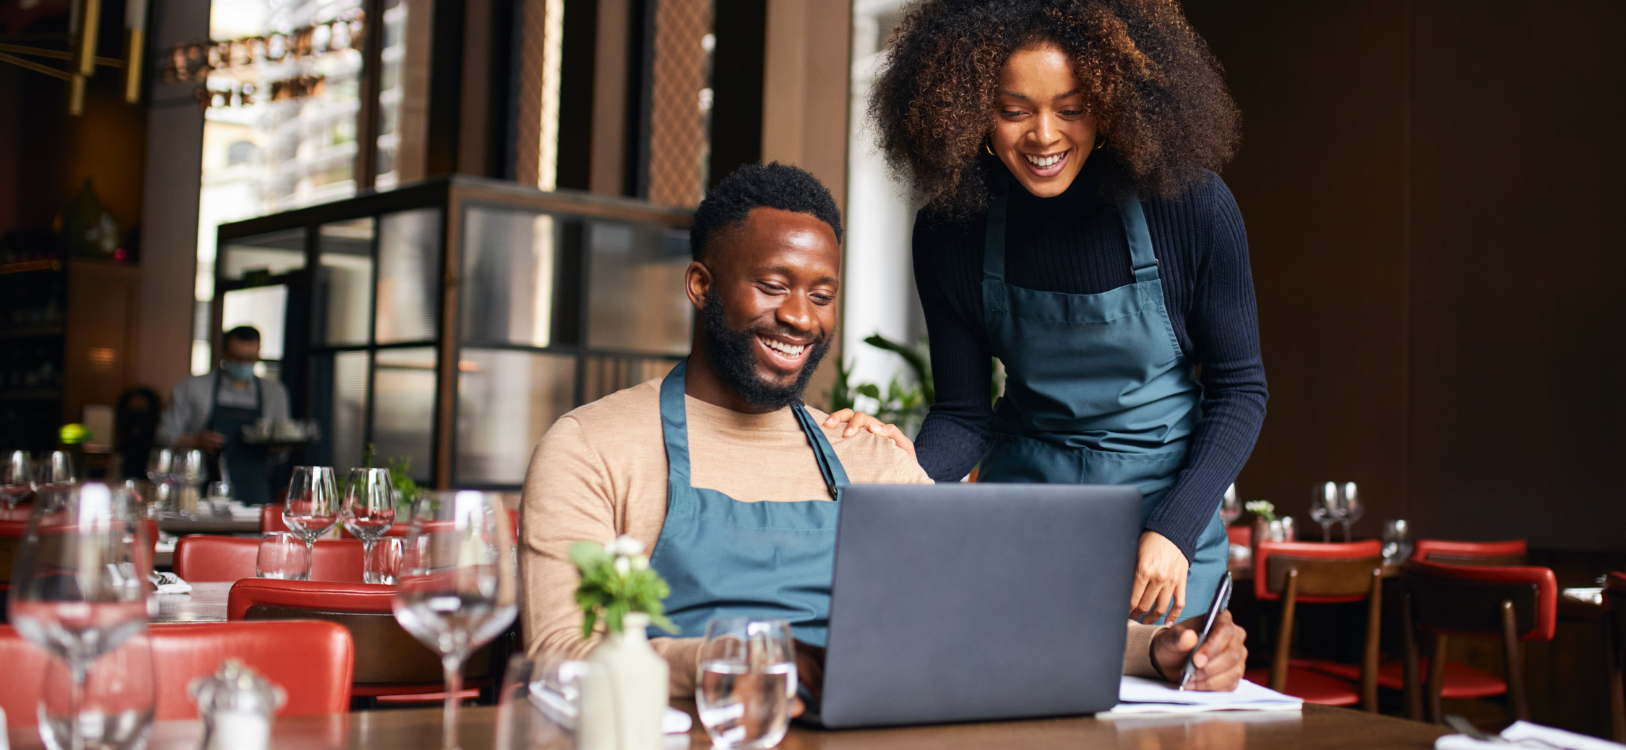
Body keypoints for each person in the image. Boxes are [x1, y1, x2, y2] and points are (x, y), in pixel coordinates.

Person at [520, 162, 1247, 700]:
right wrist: (742, 664)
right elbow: (557, 658)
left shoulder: (864, 455)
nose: (801, 317)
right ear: (702, 285)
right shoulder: (593, 448)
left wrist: (1159, 651)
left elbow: (992, 619)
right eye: (773, 286)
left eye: (822, 295)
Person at [836, 0, 1268, 626]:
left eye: (1072, 109)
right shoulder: (952, 230)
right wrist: (903, 476)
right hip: (1023, 516)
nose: (1043, 135)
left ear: (1114, 104)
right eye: (1014, 111)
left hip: (1164, 522)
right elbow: (963, 414)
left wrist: (1174, 530)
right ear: (971, 107)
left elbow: (1239, 391)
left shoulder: (1191, 207)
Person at [157, 326, 291, 505]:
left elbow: (281, 453)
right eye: (237, 358)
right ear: (224, 353)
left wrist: (277, 446)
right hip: (201, 491)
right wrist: (196, 441)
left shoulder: (274, 393)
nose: (243, 364)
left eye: (250, 359)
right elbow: (163, 435)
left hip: (254, 491)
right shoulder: (193, 387)